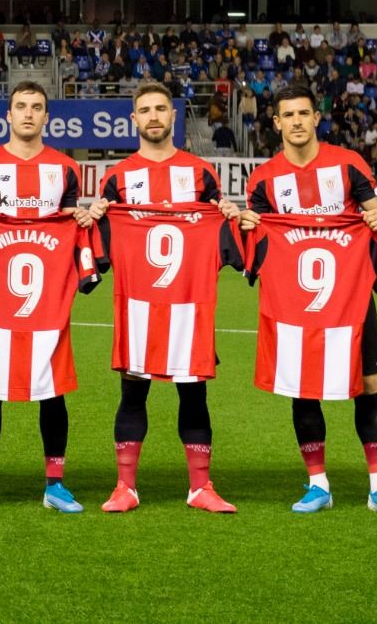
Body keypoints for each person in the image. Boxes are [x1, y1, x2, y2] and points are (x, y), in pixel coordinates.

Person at [238, 84, 377, 516]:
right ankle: (318, 484)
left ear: (317, 118)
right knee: (303, 388)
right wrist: (245, 224)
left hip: (351, 301)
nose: (296, 121)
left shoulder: (348, 164)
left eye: (303, 114)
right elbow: (251, 239)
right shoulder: (264, 180)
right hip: (294, 304)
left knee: (369, 385)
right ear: (276, 123)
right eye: (287, 115)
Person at [84, 82, 240, 514]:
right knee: (132, 393)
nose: (153, 116)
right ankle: (125, 487)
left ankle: (200, 488)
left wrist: (229, 213)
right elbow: (97, 236)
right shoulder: (116, 178)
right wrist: (93, 215)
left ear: (174, 116)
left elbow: (224, 226)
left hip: (190, 304)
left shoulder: (201, 173)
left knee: (194, 395)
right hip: (137, 304)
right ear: (133, 120)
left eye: (160, 109)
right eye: (144, 110)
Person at [0, 80, 97, 514]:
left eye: (37, 107)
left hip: (49, 302)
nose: (28, 114)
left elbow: (74, 224)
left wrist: (81, 217)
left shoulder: (65, 168)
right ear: (8, 115)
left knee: (53, 392)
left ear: (46, 117)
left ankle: (55, 484)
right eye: (21, 106)